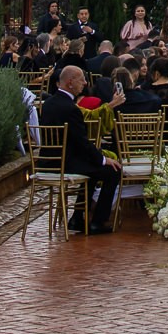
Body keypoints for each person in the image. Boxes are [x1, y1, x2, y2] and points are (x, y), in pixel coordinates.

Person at [39, 65, 122, 232]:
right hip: (66, 163)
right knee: (112, 171)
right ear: (70, 83)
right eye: (81, 79)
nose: (85, 83)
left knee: (93, 169)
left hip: (47, 161)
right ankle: (97, 222)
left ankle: (77, 218)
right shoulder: (71, 109)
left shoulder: (47, 104)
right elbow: (82, 143)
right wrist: (104, 159)